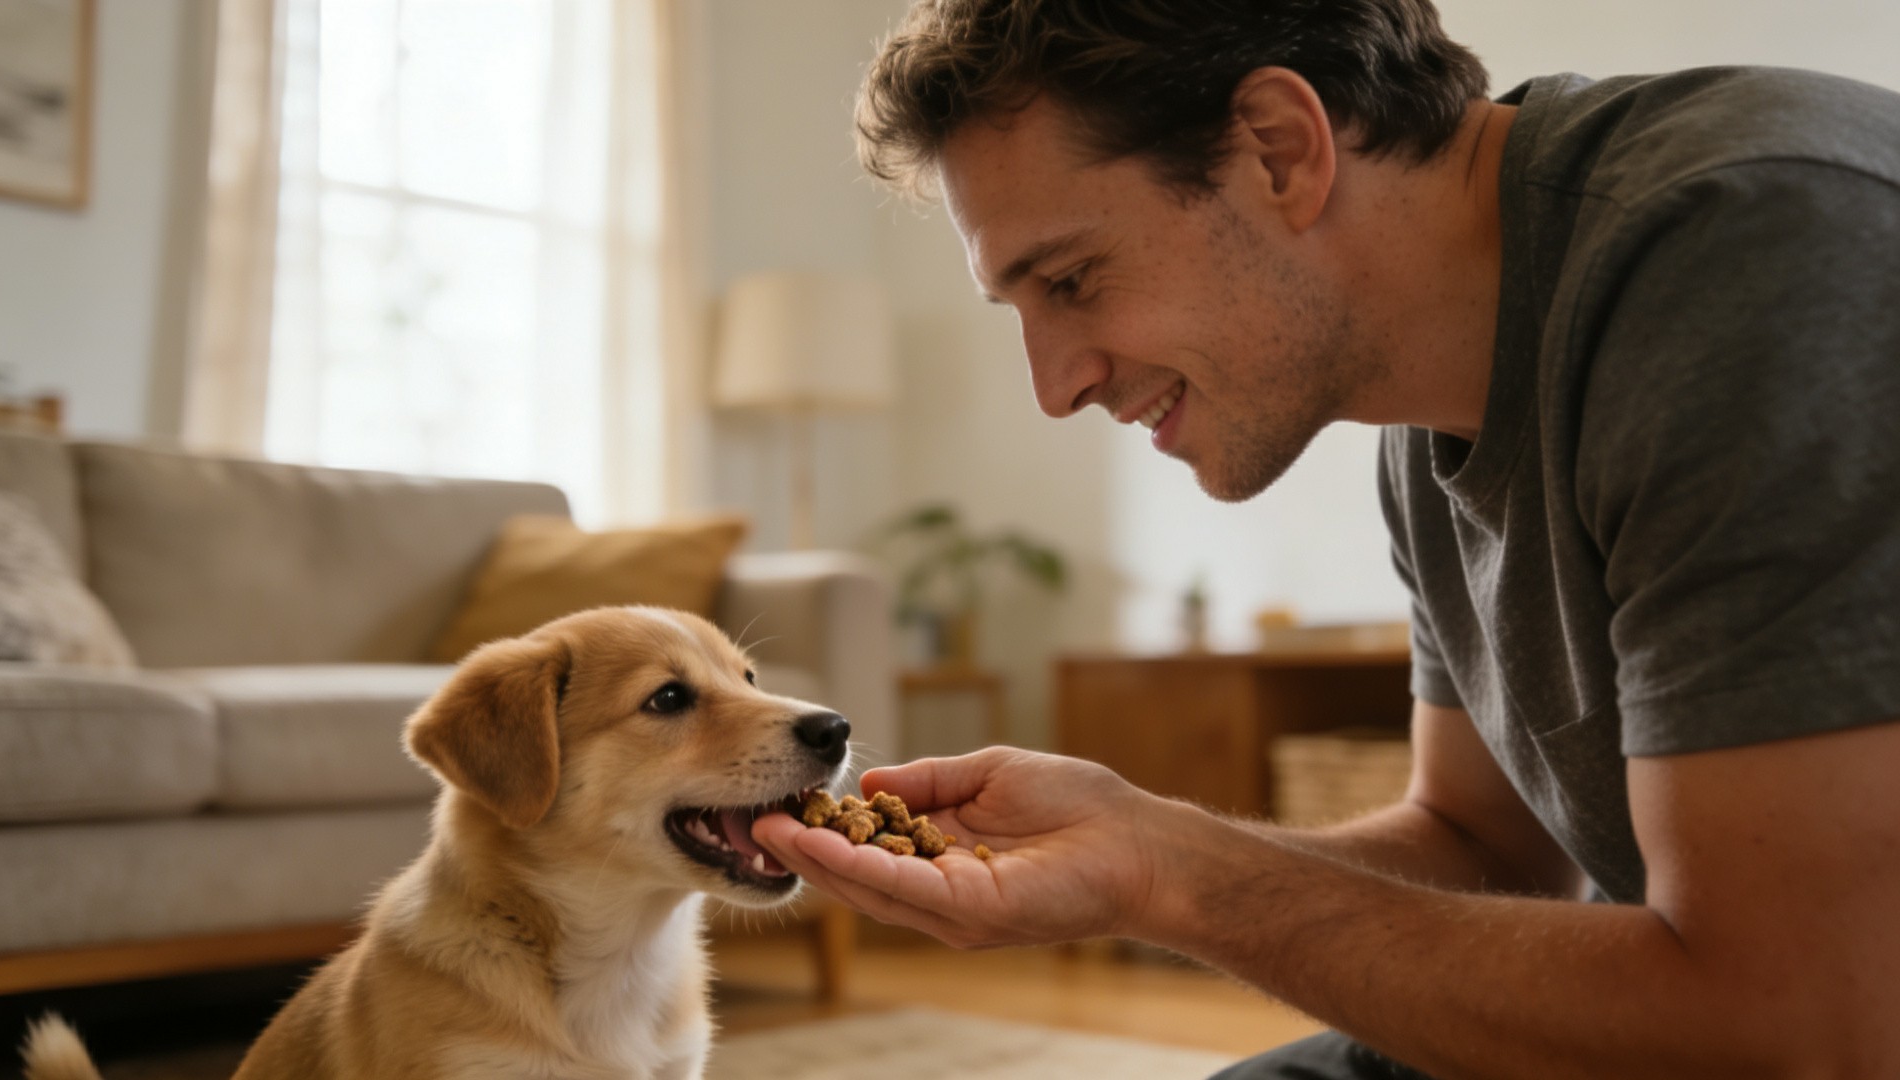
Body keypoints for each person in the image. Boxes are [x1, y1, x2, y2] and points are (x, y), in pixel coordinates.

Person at [749, 1, 1900, 1075]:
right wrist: (1131, 843)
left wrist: (1173, 878)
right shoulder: (1430, 406)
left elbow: (1803, 1029)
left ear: (1278, 149)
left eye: (1073, 277)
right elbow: (1479, 846)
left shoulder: (1757, 249)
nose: (1056, 387)